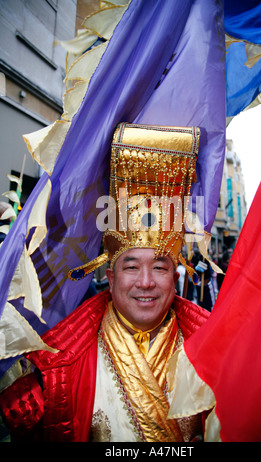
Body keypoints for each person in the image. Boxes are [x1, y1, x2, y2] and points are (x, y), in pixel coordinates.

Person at [0, 123, 210, 442]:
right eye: (130, 266)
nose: (145, 282)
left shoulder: (218, 353)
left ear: (175, 275)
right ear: (110, 278)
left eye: (159, 267)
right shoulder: (53, 368)